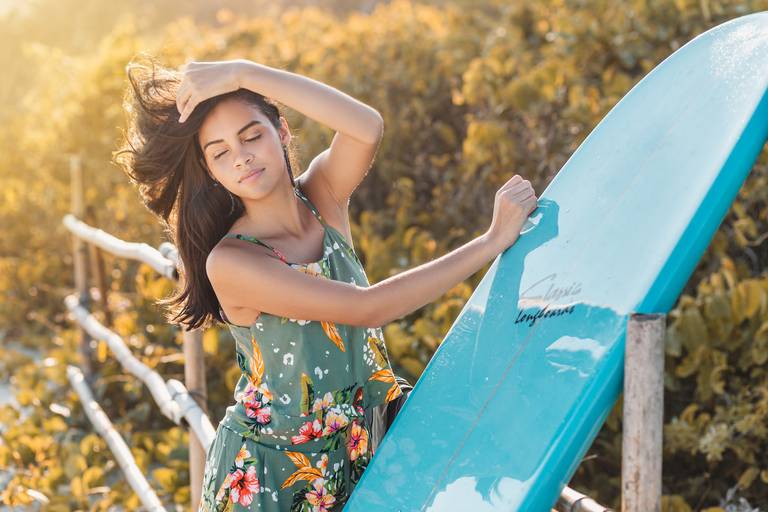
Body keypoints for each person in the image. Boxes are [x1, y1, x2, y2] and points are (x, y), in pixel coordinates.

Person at [114, 55, 537, 512]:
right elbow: (368, 308)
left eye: (252, 135)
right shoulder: (233, 260)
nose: (241, 157)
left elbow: (366, 127)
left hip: (359, 454)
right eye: (220, 153)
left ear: (282, 131)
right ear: (211, 171)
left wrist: (243, 73)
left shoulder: (322, 194)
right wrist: (491, 241)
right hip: (270, 479)